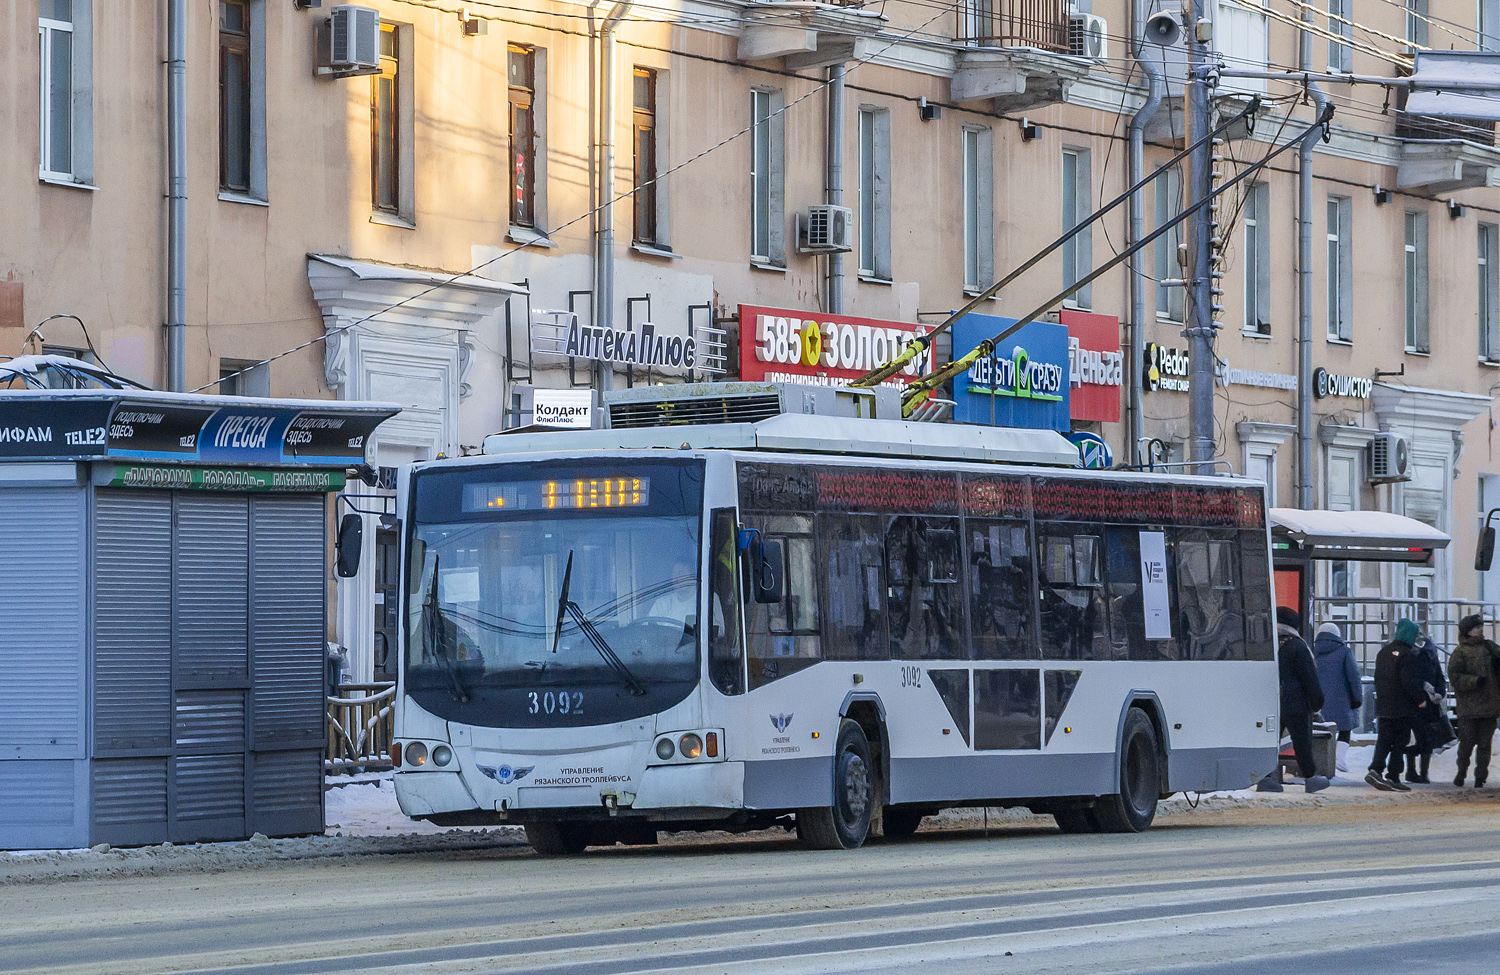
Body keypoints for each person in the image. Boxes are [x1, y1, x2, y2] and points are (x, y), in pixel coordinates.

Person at [1367, 618, 1425, 792]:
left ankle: (1376, 769)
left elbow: (1378, 679)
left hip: (1384, 705)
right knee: (1400, 742)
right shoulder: (1409, 655)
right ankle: (1393, 776)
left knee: (1384, 740)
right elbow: (1409, 681)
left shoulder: (1383, 652)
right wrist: (1420, 699)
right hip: (1403, 707)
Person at [1276, 607, 1329, 792]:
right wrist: (1316, 701)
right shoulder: (1297, 646)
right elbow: (1309, 677)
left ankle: (1267, 779)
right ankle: (1310, 778)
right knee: (1301, 742)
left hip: (1274, 702)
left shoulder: (1271, 644)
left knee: (1272, 741)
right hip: (1296, 704)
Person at [1448, 614, 1500, 788]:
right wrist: (1474, 681)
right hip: (1469, 707)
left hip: (1490, 705)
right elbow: (1455, 677)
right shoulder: (1460, 652)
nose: (1480, 630)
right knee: (1467, 743)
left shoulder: (1489, 647)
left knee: (1485, 744)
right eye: (1476, 628)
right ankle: (1461, 772)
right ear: (1468, 632)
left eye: (1480, 627)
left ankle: (1480, 777)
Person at [1313, 622, 1363, 772]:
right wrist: (1357, 698)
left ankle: (1319, 762)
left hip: (1318, 700)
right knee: (1345, 730)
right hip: (1342, 701)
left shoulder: (1312, 651)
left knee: (1320, 731)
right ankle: (1339, 759)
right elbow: (1353, 677)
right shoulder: (1344, 651)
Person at [1403, 634, 1452, 783]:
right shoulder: (1408, 654)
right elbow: (1407, 679)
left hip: (1430, 704)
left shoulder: (1430, 653)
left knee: (1427, 740)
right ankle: (1411, 771)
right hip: (1414, 703)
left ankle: (1423, 773)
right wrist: (1421, 686)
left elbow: (1439, 677)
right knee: (1414, 740)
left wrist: (1439, 693)